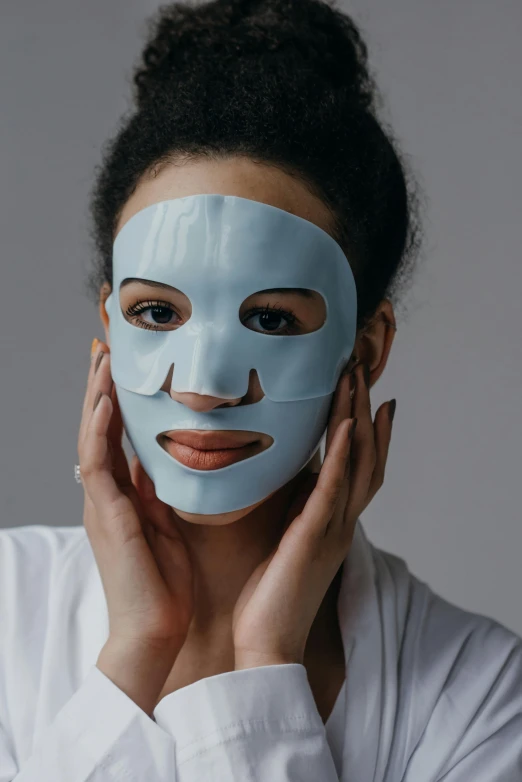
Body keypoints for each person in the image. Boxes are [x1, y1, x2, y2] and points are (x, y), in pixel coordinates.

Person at [1, 1, 521, 780]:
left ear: (367, 347)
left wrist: (266, 667)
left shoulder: (478, 693)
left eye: (272, 320)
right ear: (108, 323)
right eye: (156, 312)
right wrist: (134, 653)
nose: (206, 387)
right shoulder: (6, 610)